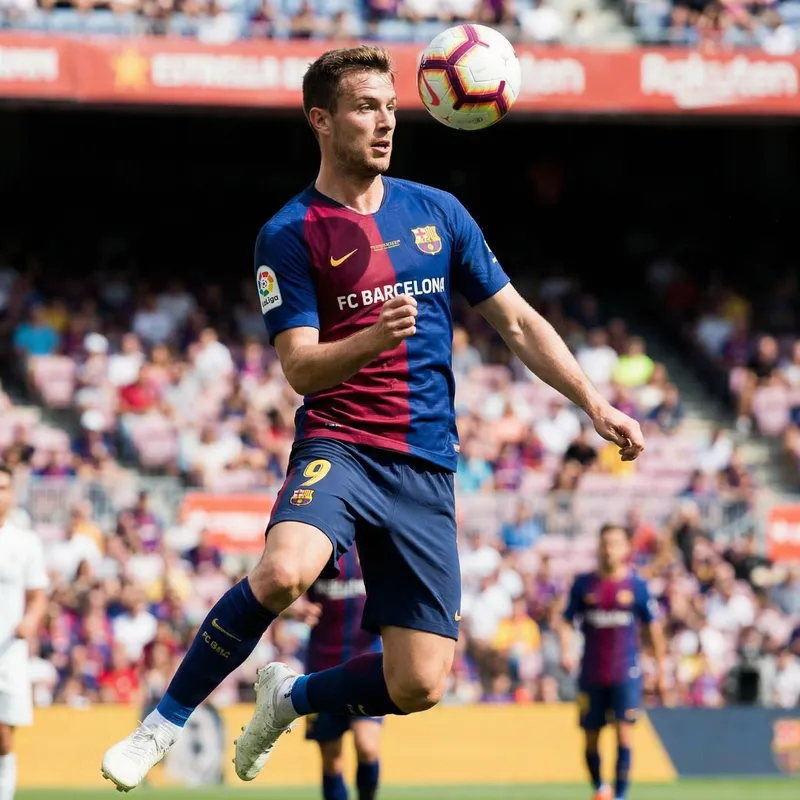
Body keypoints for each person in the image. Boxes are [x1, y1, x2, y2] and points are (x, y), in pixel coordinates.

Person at [102, 44, 644, 792]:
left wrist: (594, 402)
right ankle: (161, 725)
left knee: (420, 683)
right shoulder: (289, 233)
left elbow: (517, 322)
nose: (386, 121)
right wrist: (369, 340)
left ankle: (291, 696)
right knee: (286, 571)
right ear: (320, 120)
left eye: (391, 106)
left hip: (426, 463)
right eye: (366, 106)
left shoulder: (439, 213)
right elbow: (298, 367)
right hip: (342, 445)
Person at [560, 524, 666, 800]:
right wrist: (566, 650)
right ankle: (600, 788)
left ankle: (620, 795)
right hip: (591, 672)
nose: (609, 549)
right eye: (605, 543)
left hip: (625, 672)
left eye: (615, 543)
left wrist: (662, 670)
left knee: (624, 733)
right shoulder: (584, 584)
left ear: (626, 549)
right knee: (591, 737)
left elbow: (654, 630)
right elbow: (565, 622)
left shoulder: (637, 586)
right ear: (598, 547)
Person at [284, 550, 382, 800]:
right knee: (331, 759)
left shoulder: (377, 540)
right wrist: (296, 608)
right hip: (323, 663)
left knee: (367, 746)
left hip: (367, 660)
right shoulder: (320, 543)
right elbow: (280, 592)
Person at [0, 465, 49, 800]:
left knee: (3, 732)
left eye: (3, 487)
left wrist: (31, 621)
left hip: (7, 651)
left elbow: (37, 594)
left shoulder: (24, 541)